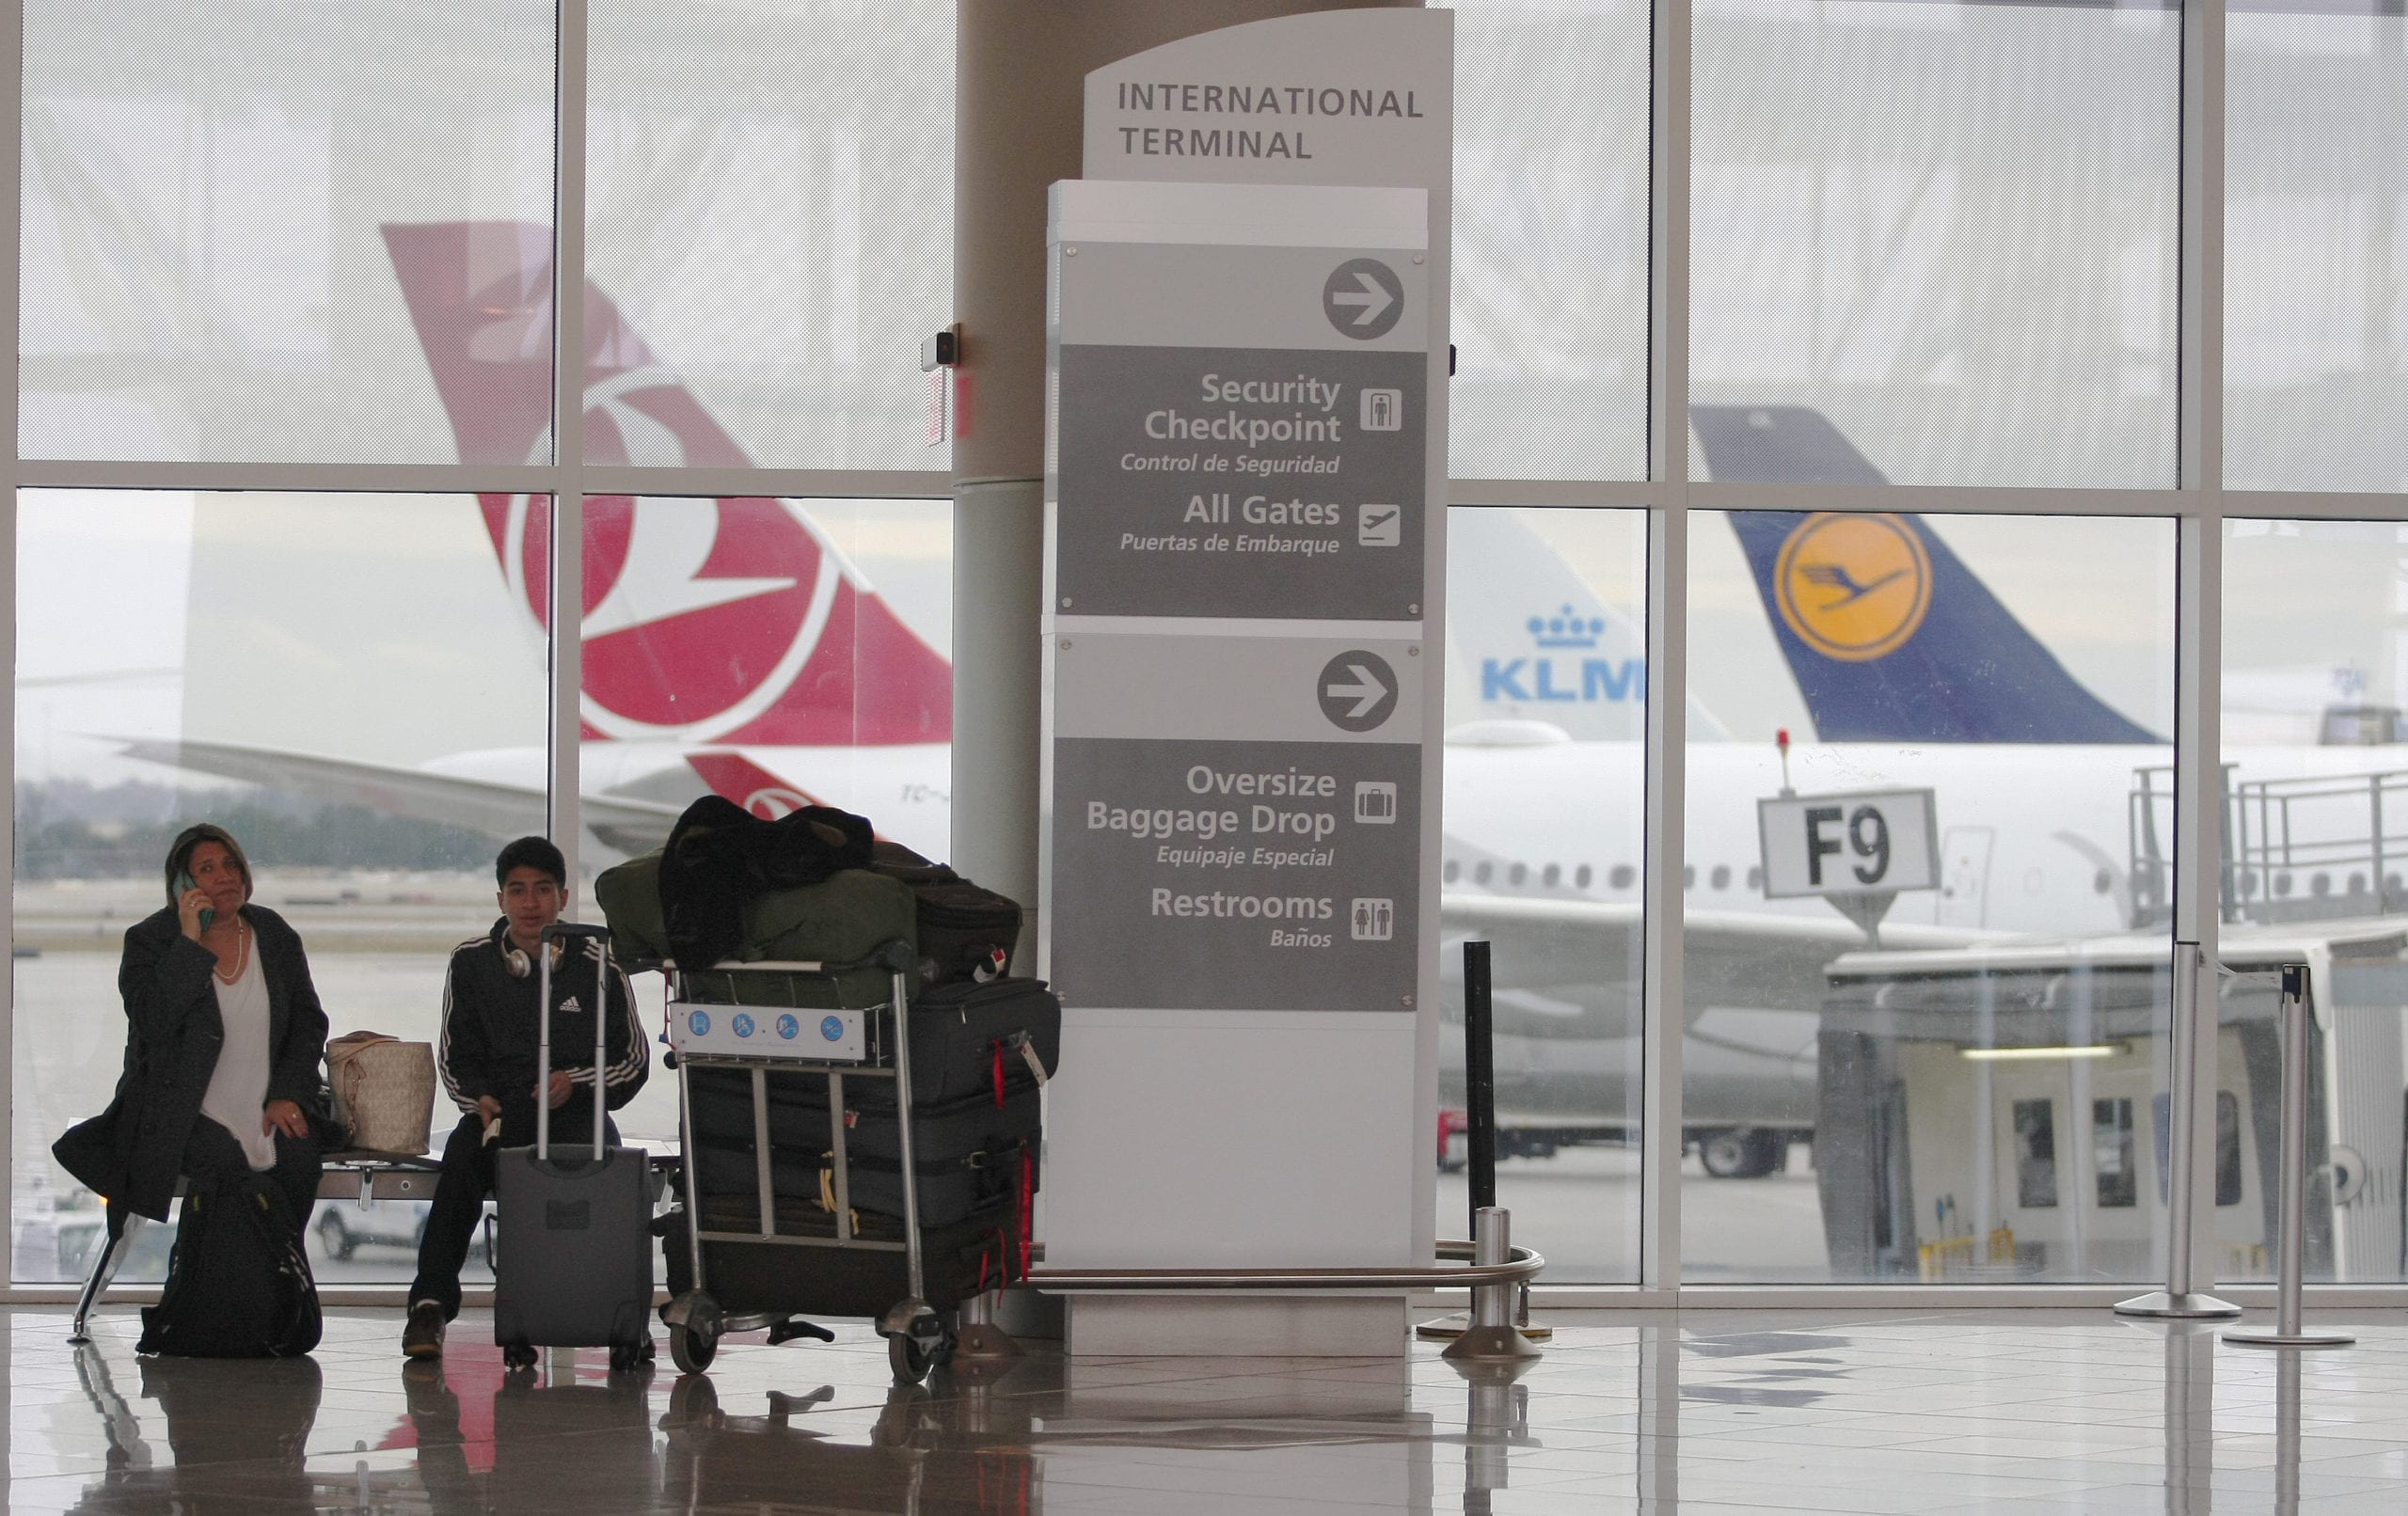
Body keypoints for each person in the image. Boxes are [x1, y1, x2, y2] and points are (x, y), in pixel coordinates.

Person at [53, 824, 331, 1326]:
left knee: (298, 1157)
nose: (224, 876)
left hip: (267, 1099)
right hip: (183, 1109)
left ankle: (275, 1296)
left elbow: (309, 1024)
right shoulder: (149, 941)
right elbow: (154, 1022)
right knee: (228, 1168)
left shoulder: (273, 933)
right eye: (207, 869)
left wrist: (288, 1093)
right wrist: (189, 941)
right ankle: (216, 1305)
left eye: (230, 864)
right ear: (183, 885)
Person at [404, 835, 647, 1359]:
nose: (530, 902)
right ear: (501, 900)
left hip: (578, 1113)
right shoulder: (471, 962)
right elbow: (453, 1059)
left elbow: (633, 1062)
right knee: (460, 1162)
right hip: (502, 1116)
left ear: (563, 896)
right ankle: (428, 1306)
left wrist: (575, 1081)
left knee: (607, 1173)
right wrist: (478, 1100)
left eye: (542, 890)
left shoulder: (600, 962)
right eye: (517, 891)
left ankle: (622, 1318)